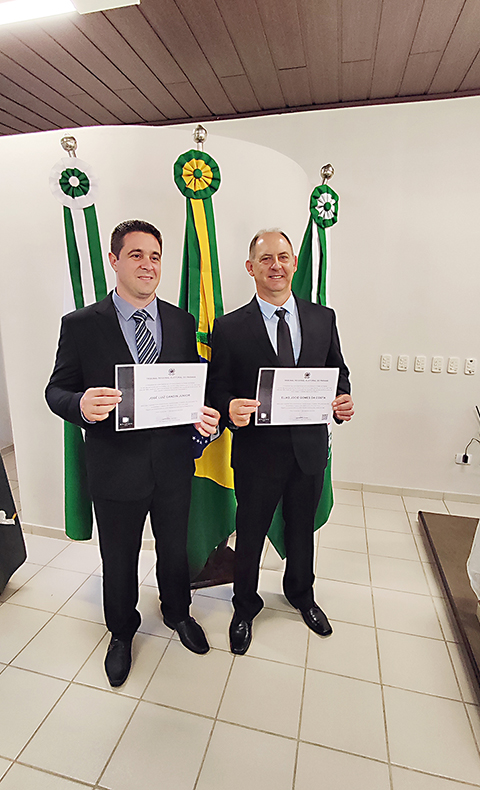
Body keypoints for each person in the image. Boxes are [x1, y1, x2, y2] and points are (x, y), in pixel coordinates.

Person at [46, 219, 219, 686]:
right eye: (137, 255)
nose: (148, 265)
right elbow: (56, 390)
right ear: (114, 260)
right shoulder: (81, 325)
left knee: (174, 548)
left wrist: (203, 413)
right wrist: (80, 405)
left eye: (155, 256)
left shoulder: (181, 322)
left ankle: (177, 611)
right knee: (119, 557)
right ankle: (121, 630)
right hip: (114, 467)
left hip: (173, 464)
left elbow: (189, 387)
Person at [207, 229, 354, 655]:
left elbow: (338, 373)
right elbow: (217, 388)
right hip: (257, 454)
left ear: (294, 263)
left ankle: (301, 594)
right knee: (250, 533)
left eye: (284, 257)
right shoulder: (229, 327)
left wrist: (342, 400)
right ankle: (244, 605)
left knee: (302, 529)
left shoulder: (322, 318)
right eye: (266, 259)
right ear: (250, 268)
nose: (276, 266)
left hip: (308, 450)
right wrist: (229, 407)